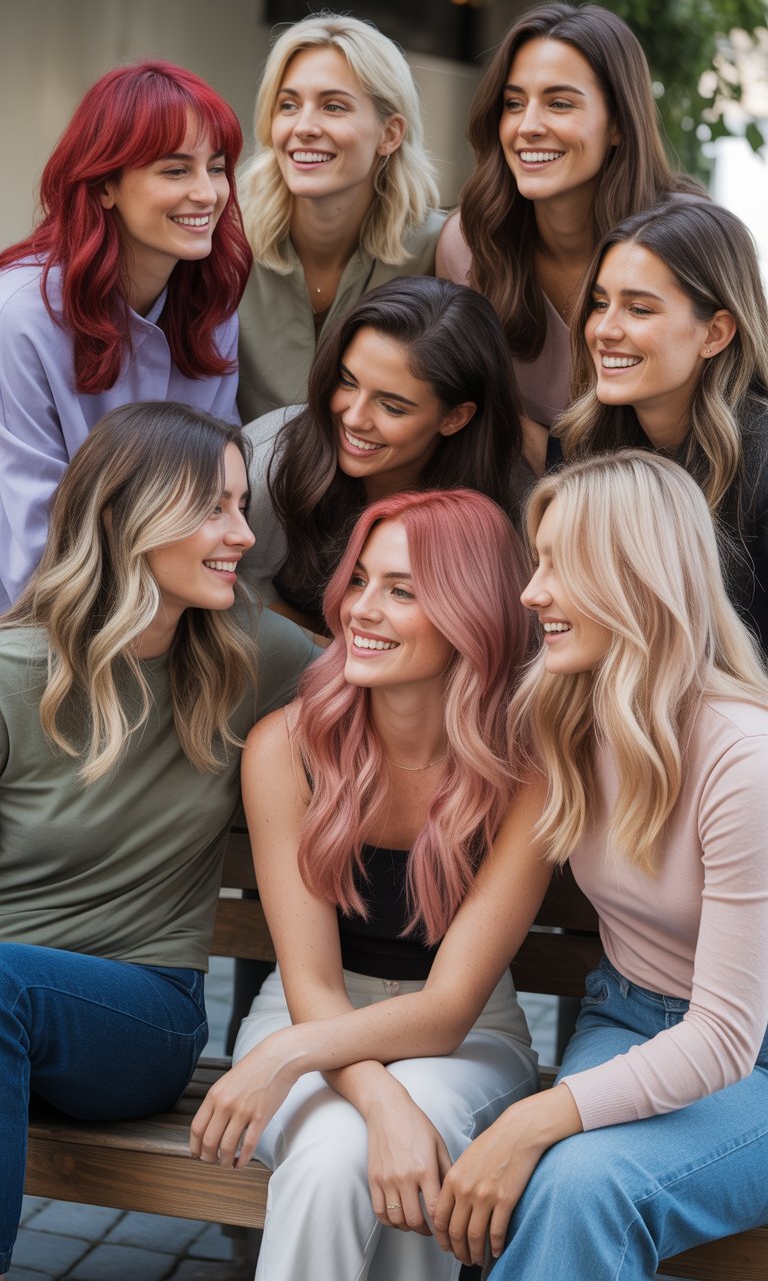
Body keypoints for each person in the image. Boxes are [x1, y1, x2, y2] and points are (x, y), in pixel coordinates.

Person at [190, 488, 552, 1281]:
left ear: (473, 613)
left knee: (398, 1150)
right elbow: (312, 982)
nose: (362, 610)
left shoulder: (531, 768)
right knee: (336, 1158)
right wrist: (376, 1097)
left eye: (402, 590)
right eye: (360, 581)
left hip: (468, 1037)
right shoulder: (287, 745)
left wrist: (298, 1059)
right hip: (308, 1012)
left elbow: (449, 1010)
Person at [426, 451, 768, 1277]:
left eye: (559, 566)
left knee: (577, 1184)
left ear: (637, 577)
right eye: (535, 561)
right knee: (557, 1180)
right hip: (624, 1019)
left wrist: (531, 1118)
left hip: (748, 1056)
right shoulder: (565, 716)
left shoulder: (743, 759)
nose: (530, 592)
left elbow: (724, 1036)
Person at [0, 402, 317, 1278]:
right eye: (213, 507)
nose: (243, 535)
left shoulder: (253, 653)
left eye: (241, 506)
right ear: (119, 515)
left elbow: (409, 674)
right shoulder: (11, 674)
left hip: (139, 1018)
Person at [0, 60, 252, 611]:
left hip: (171, 608)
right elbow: (32, 540)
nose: (208, 194)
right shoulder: (20, 315)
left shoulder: (212, 312)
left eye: (216, 167)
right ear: (106, 184)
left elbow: (217, 495)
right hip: (40, 621)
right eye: (175, 170)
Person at [436, 1, 701, 427]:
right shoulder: (468, 243)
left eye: (559, 103)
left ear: (618, 124)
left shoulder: (691, 238)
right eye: (514, 103)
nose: (528, 126)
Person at [242, 275, 537, 628]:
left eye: (392, 407)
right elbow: (237, 593)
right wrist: (327, 655)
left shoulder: (510, 501)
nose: (353, 418)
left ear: (456, 418)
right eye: (347, 382)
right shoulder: (272, 454)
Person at [558, 197, 768, 653]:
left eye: (639, 309)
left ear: (714, 334)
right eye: (599, 303)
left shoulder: (762, 467)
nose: (604, 330)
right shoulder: (580, 448)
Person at [236, 12, 445, 420]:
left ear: (390, 134)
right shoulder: (224, 243)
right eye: (289, 105)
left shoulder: (442, 251)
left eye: (333, 106)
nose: (304, 127)